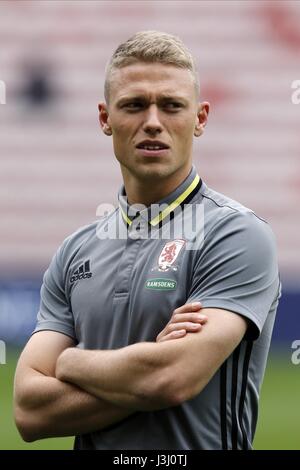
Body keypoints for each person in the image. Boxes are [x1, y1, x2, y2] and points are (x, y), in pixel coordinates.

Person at [14, 31, 281, 450]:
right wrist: (144, 370)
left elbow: (170, 379)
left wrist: (69, 362)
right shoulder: (74, 251)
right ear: (105, 119)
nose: (153, 121)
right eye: (134, 105)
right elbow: (29, 412)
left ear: (201, 118)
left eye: (172, 105)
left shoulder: (236, 234)